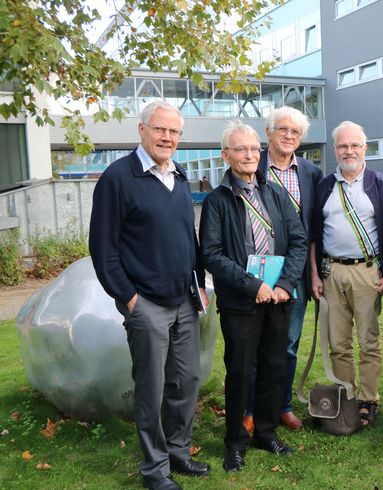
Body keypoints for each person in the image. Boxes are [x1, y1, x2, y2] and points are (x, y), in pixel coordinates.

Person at [89, 100, 210, 490]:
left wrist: (198, 284)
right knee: (152, 388)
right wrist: (129, 299)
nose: (168, 137)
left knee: (187, 380)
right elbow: (103, 248)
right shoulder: (117, 178)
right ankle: (155, 470)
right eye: (160, 129)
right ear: (141, 130)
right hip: (147, 304)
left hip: (184, 302)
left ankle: (178, 451)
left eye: (174, 132)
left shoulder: (179, 177)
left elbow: (185, 239)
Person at [199, 122, 307, 472]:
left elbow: (298, 241)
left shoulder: (275, 193)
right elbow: (211, 254)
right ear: (225, 154)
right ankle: (235, 443)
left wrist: (285, 284)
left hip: (277, 299)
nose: (249, 155)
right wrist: (251, 285)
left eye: (253, 149)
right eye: (240, 149)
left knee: (274, 369)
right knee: (241, 373)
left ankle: (266, 432)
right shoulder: (217, 201)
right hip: (241, 303)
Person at [310, 121, 383, 427]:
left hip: (367, 272)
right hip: (331, 271)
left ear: (365, 148)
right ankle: (345, 398)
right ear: (335, 150)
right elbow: (313, 235)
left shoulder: (380, 183)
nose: (348, 151)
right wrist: (314, 275)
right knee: (338, 342)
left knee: (368, 340)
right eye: (343, 146)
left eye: (354, 145)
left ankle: (369, 399)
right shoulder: (324, 186)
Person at [241, 106, 322, 433]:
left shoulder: (311, 173)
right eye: (283, 129)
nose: (289, 136)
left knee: (287, 343)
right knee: (254, 346)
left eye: (296, 132)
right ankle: (249, 409)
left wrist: (313, 272)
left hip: (295, 272)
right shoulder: (249, 163)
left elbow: (314, 228)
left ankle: (282, 406)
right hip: (255, 270)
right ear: (269, 132)